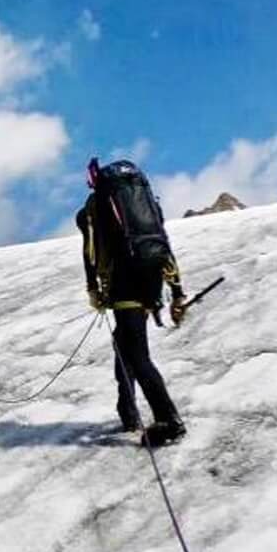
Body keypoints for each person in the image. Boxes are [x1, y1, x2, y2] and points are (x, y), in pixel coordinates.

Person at [76, 157, 188, 445]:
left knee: (137, 354)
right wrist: (176, 293)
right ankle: (127, 411)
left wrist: (94, 290)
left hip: (123, 282)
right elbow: (164, 245)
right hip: (152, 278)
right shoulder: (149, 204)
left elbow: (90, 253)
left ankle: (168, 419)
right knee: (123, 341)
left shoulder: (92, 208)